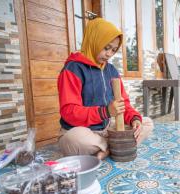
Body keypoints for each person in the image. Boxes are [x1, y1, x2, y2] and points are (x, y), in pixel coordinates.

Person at [57, 18, 154, 159]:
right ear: (94, 40)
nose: (109, 54)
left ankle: (105, 148)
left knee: (146, 123)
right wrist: (106, 111)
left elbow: (123, 104)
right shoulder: (73, 69)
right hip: (82, 131)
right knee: (73, 140)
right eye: (106, 47)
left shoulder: (111, 71)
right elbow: (69, 112)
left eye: (113, 50)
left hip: (106, 129)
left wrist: (134, 119)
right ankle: (115, 146)